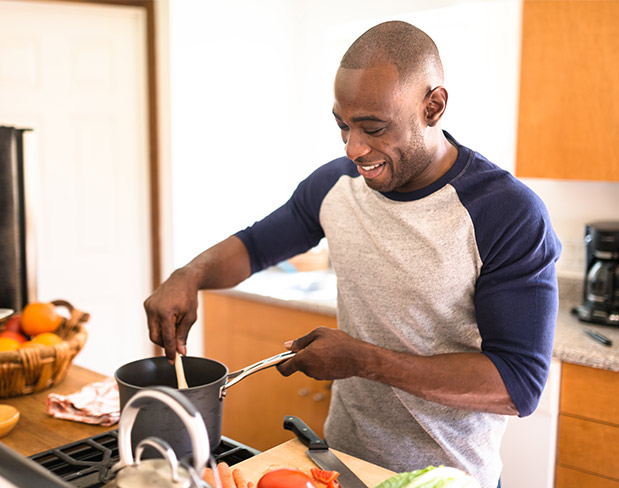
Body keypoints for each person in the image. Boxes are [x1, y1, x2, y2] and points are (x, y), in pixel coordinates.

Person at [145, 21, 561, 488]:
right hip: (339, 467)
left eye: (373, 128)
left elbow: (518, 385)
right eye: (343, 125)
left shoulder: (506, 213)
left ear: (433, 106)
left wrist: (363, 361)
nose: (354, 148)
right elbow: (256, 245)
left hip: (446, 479)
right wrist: (189, 274)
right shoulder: (336, 184)